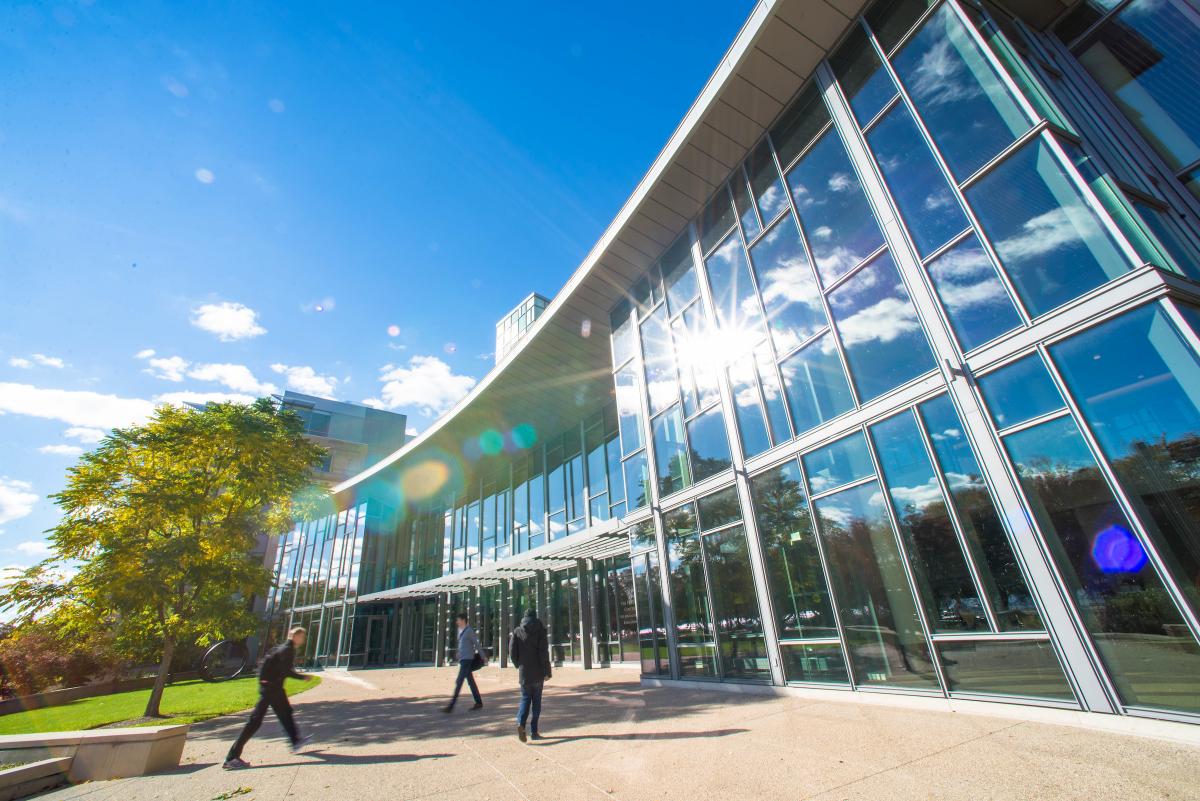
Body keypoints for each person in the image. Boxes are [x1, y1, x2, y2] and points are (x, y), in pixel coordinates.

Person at [223, 627, 313, 770]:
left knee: (285, 713)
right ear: (296, 637)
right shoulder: (287, 650)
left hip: (271, 687)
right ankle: (231, 758)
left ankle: (295, 740)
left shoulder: (283, 648)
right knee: (255, 721)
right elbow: (285, 671)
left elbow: (268, 666)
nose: (303, 640)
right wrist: (303, 677)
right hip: (272, 689)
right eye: (302, 636)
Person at [508, 607, 551, 742]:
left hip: (525, 672)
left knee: (525, 699)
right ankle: (534, 731)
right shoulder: (541, 630)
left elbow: (512, 651)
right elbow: (544, 653)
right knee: (536, 702)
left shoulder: (517, 631)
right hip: (538, 672)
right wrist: (547, 672)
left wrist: (518, 664)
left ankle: (521, 723)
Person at [442, 612, 483, 713]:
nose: (457, 622)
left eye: (458, 620)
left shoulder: (469, 631)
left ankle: (451, 706)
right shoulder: (461, 631)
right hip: (463, 659)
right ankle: (478, 702)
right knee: (471, 682)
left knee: (459, 682)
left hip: (467, 660)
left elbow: (476, 644)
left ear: (463, 620)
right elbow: (463, 645)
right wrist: (458, 653)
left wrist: (483, 656)